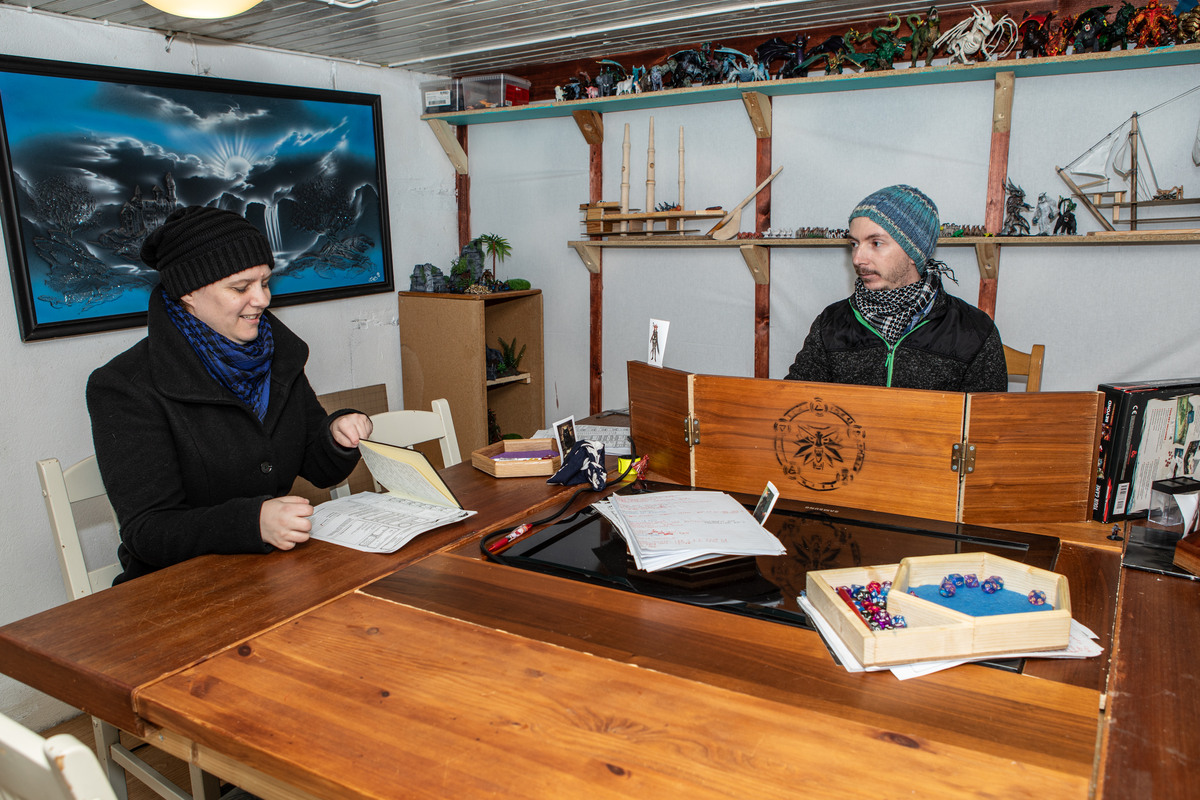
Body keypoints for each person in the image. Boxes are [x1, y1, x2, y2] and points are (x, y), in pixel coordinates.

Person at [87, 206, 373, 584]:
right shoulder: (125, 386)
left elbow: (318, 469)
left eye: (265, 282)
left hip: (273, 574)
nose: (262, 299)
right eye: (240, 288)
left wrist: (338, 434)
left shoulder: (277, 356)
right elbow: (149, 532)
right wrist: (252, 522)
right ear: (188, 292)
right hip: (177, 591)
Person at [785, 185, 1008, 392]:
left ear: (914, 252)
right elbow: (793, 401)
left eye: (876, 243)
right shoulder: (831, 323)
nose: (858, 258)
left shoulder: (974, 330)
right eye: (854, 244)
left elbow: (987, 426)